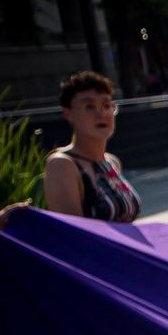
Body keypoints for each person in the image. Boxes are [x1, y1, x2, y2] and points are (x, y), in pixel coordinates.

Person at [41, 70, 142, 222]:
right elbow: (73, 233)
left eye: (107, 105)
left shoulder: (111, 162)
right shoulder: (62, 165)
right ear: (68, 113)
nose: (101, 114)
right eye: (89, 106)